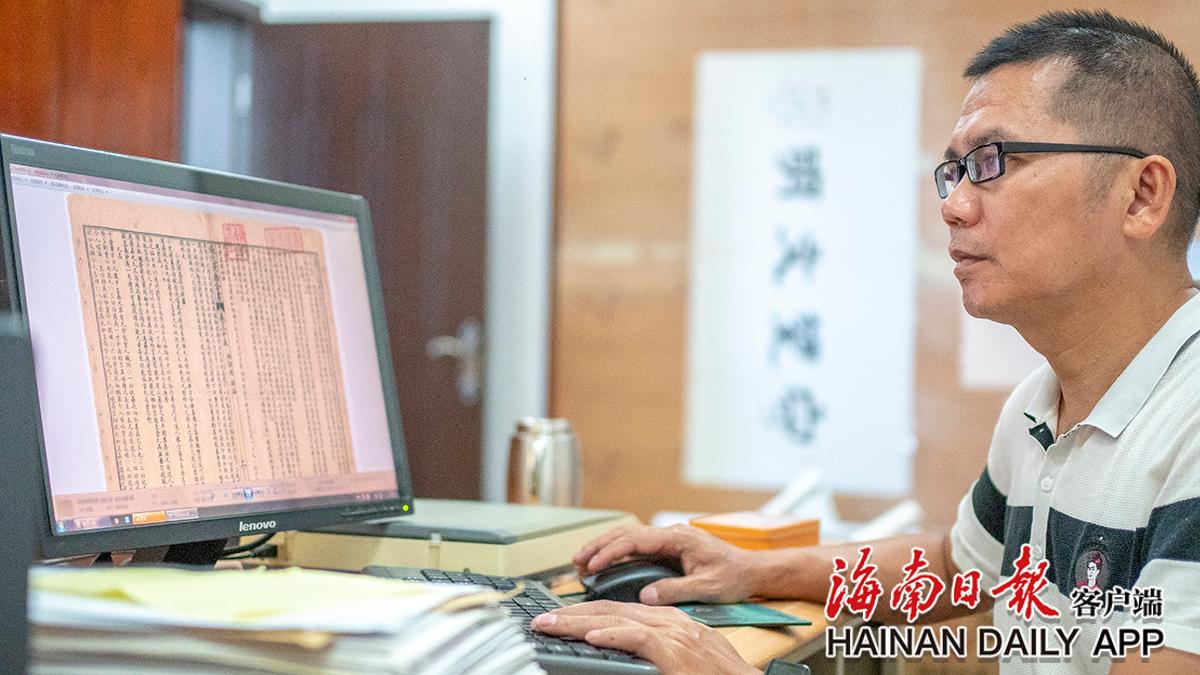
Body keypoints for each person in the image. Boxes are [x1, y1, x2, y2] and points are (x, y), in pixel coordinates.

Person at [533, 10, 1200, 674]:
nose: (954, 206)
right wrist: (747, 569)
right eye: (956, 171)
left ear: (1142, 195)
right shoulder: (1039, 403)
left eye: (994, 162)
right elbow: (955, 566)